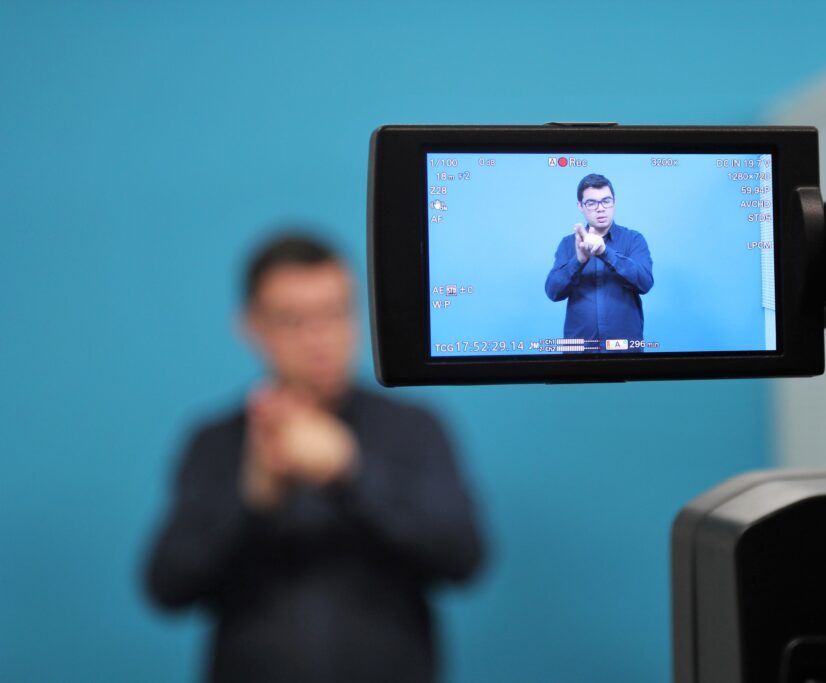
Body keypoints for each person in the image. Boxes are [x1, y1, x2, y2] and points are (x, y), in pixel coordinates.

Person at [144, 232, 485, 683]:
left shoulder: (414, 428)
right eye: (292, 320)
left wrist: (352, 471)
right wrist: (252, 499)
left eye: (335, 313)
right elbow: (167, 587)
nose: (318, 337)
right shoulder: (216, 442)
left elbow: (463, 558)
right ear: (251, 326)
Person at [544, 174, 654, 349]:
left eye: (606, 201)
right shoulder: (567, 244)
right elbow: (553, 292)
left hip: (624, 349)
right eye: (591, 203)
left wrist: (605, 252)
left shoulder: (634, 239)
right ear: (580, 206)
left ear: (614, 201)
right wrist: (578, 261)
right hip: (578, 349)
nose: (600, 208)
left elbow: (645, 283)